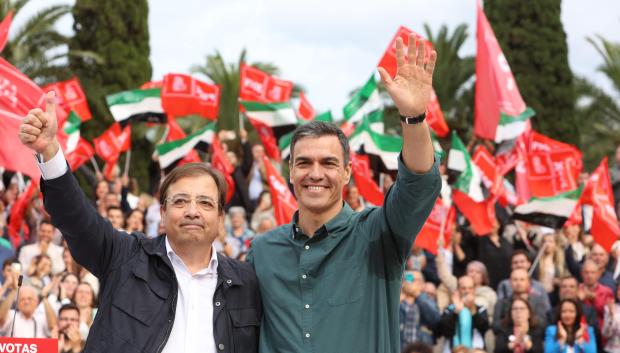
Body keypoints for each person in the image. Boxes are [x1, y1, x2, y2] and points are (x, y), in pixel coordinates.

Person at [18, 92, 262, 353]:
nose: (192, 211)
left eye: (205, 202)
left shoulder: (246, 282)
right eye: (180, 201)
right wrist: (50, 151)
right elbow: (76, 219)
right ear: (163, 212)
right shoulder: (124, 256)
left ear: (220, 216)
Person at [247, 35, 441, 353]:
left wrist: (414, 118)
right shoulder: (262, 251)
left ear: (347, 172)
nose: (315, 174)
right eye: (304, 163)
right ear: (291, 172)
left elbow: (418, 184)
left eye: (328, 163)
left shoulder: (380, 233)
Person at [437, 276, 489, 353]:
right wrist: (456, 312)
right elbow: (443, 330)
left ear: (474, 290)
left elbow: (484, 328)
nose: (467, 291)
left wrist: (473, 311)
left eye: (470, 288)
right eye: (463, 288)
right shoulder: (449, 309)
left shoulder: (481, 309)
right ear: (458, 290)